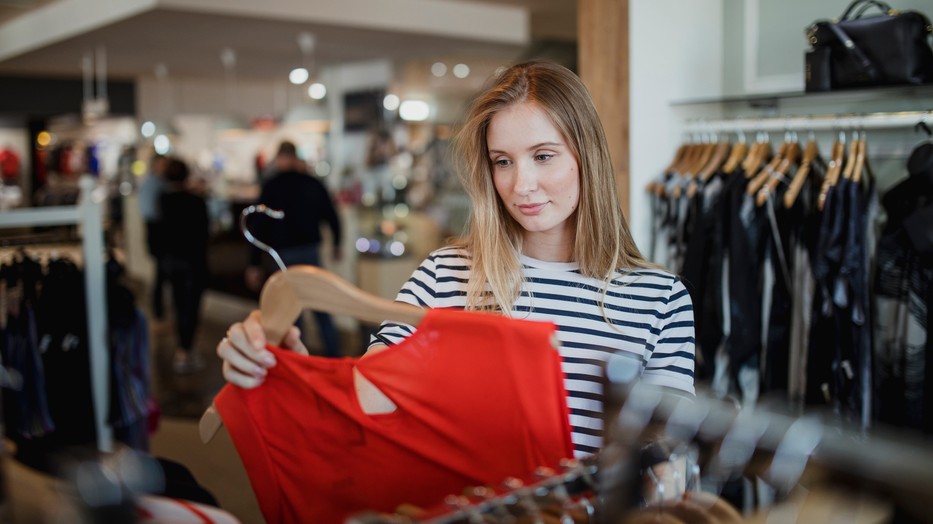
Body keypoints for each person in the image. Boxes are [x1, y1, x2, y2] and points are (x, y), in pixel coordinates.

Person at [220, 60, 695, 448]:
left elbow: (665, 461)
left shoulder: (659, 299)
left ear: (586, 157)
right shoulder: (444, 274)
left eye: (543, 156)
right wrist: (290, 368)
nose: (520, 184)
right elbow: (368, 401)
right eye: (502, 161)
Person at [244, 140, 343, 357]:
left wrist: (254, 263)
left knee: (291, 311)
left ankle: (298, 359)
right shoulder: (312, 182)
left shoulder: (271, 185)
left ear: (280, 158)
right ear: (296, 158)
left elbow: (259, 225)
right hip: (310, 250)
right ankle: (334, 356)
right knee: (320, 305)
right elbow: (332, 215)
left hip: (284, 254)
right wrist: (337, 243)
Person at [159, 157, 210, 373]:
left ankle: (183, 349)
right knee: (192, 306)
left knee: (178, 304)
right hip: (193, 261)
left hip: (172, 261)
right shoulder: (196, 201)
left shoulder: (163, 201)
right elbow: (205, 233)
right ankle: (186, 350)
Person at [138, 153, 168, 321]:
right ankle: (158, 311)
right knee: (160, 273)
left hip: (158, 231)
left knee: (161, 273)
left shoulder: (160, 183)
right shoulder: (152, 184)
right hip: (157, 231)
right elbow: (150, 212)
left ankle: (159, 311)